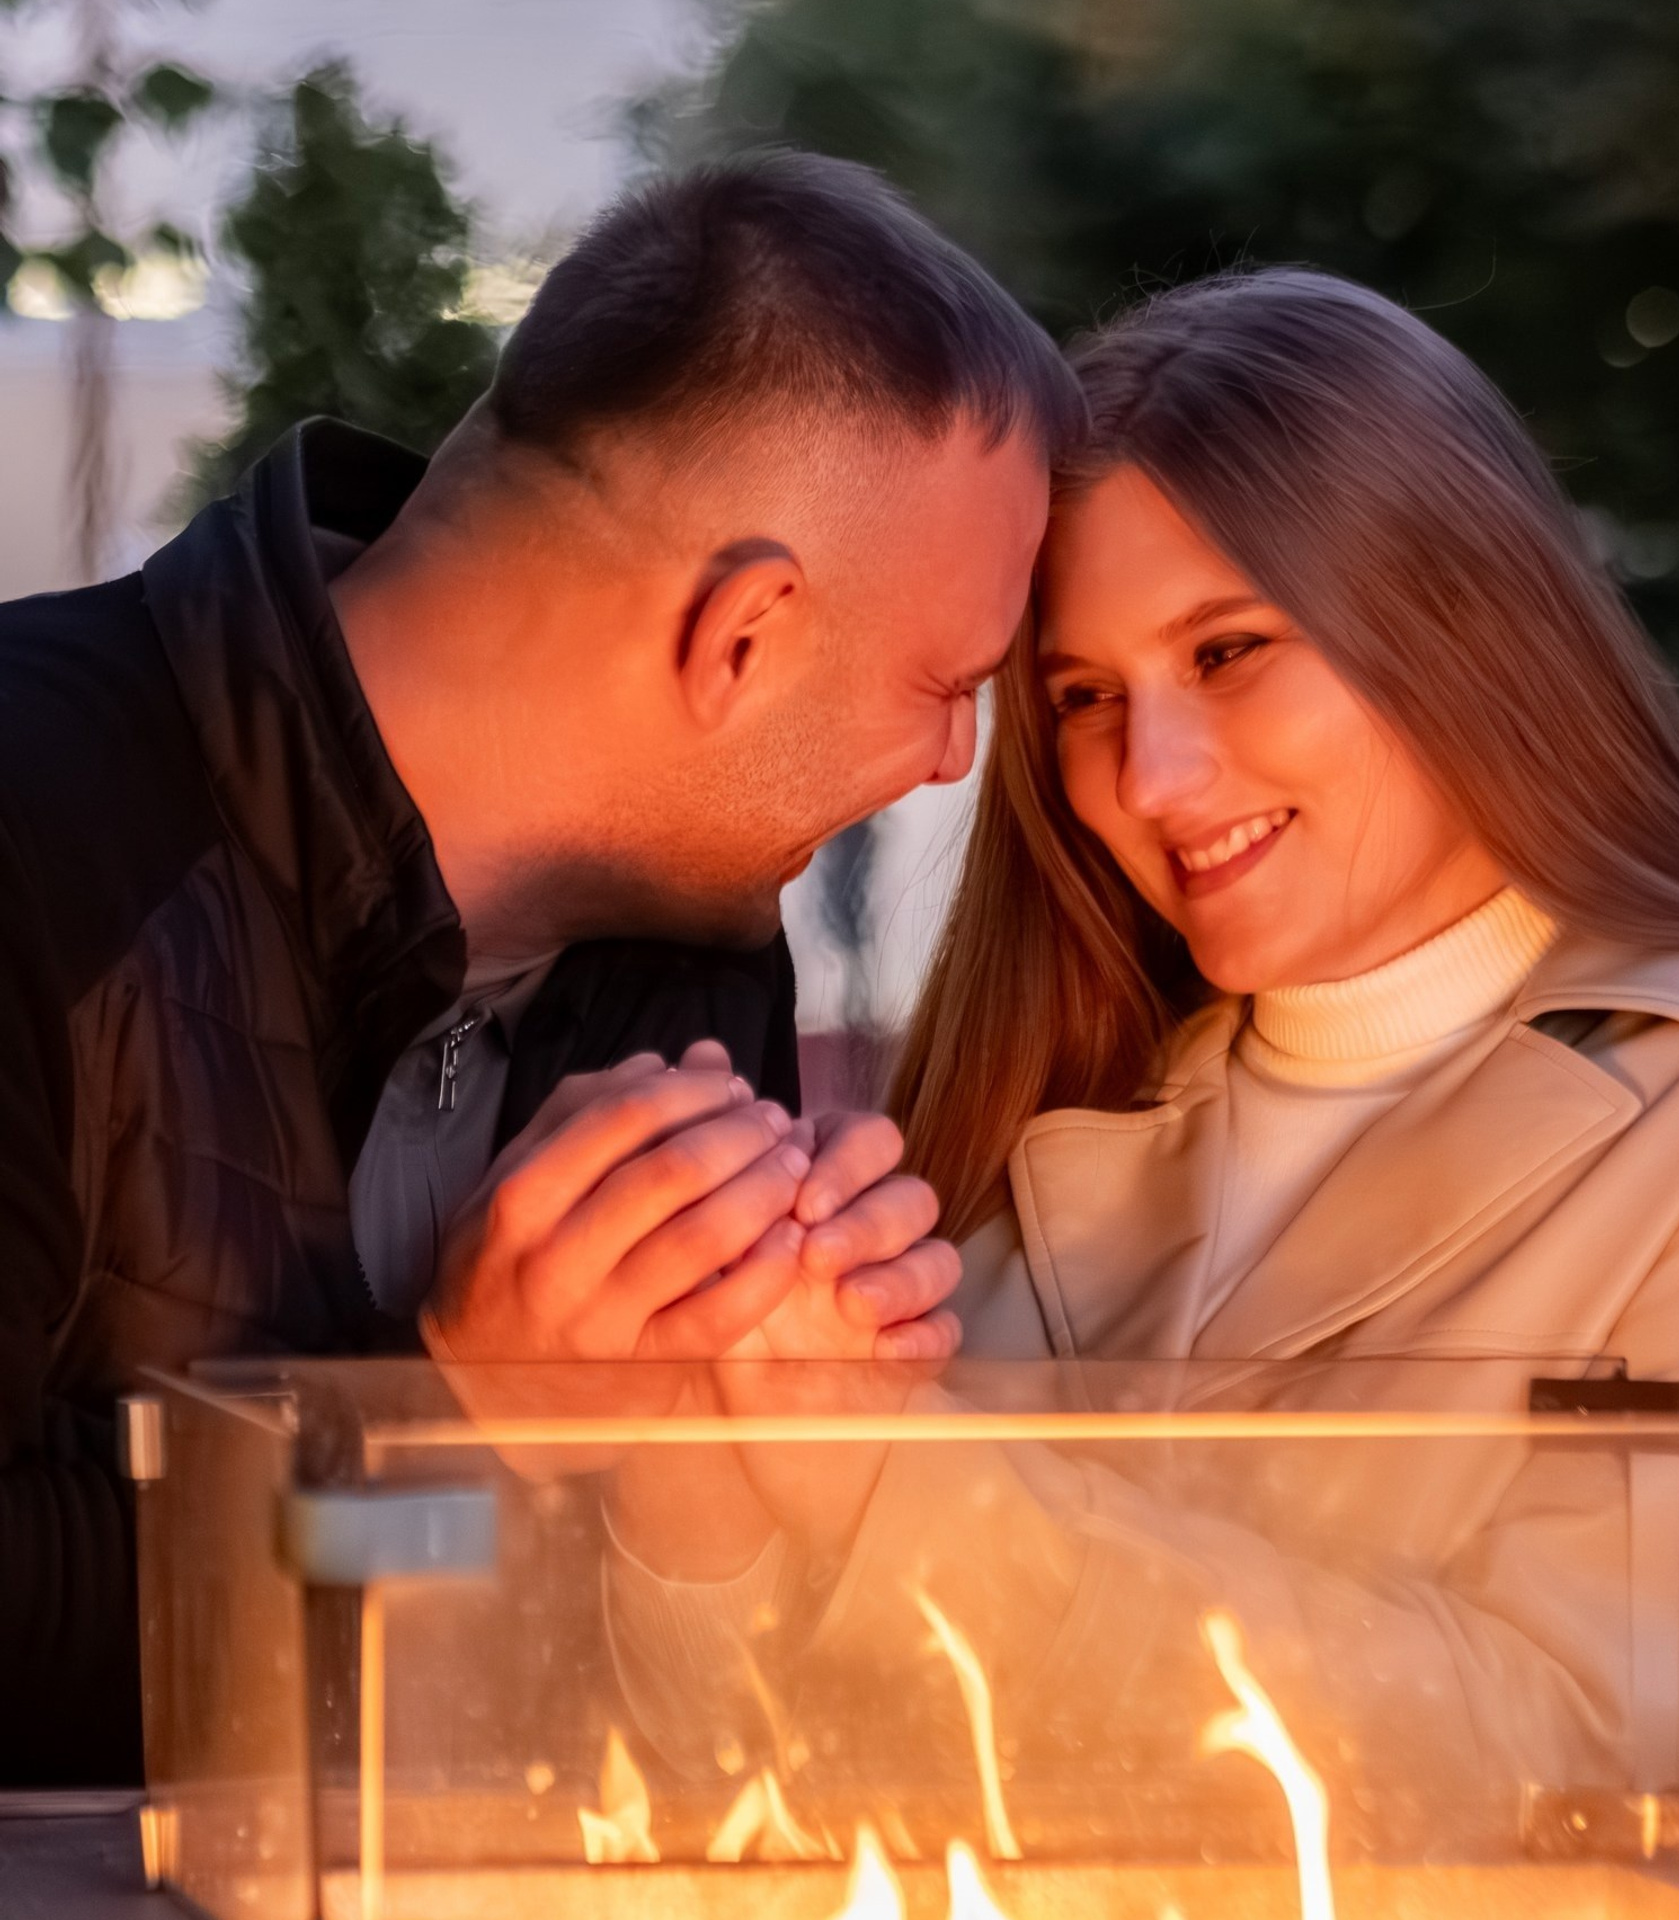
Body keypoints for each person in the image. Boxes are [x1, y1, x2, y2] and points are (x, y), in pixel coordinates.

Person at [603, 267, 1679, 1841]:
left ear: (1461, 618)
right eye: (1086, 695)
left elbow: (1609, 1779)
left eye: (1228, 652)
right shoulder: (1043, 1113)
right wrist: (692, 1453)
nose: (1151, 777)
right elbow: (749, 1796)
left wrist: (881, 1474)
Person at [0, 150, 1078, 1784]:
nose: (950, 762)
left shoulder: (695, 969)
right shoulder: (36, 830)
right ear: (744, 634)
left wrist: (773, 1447)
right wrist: (457, 1420)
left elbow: (657, 1712)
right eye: (950, 683)